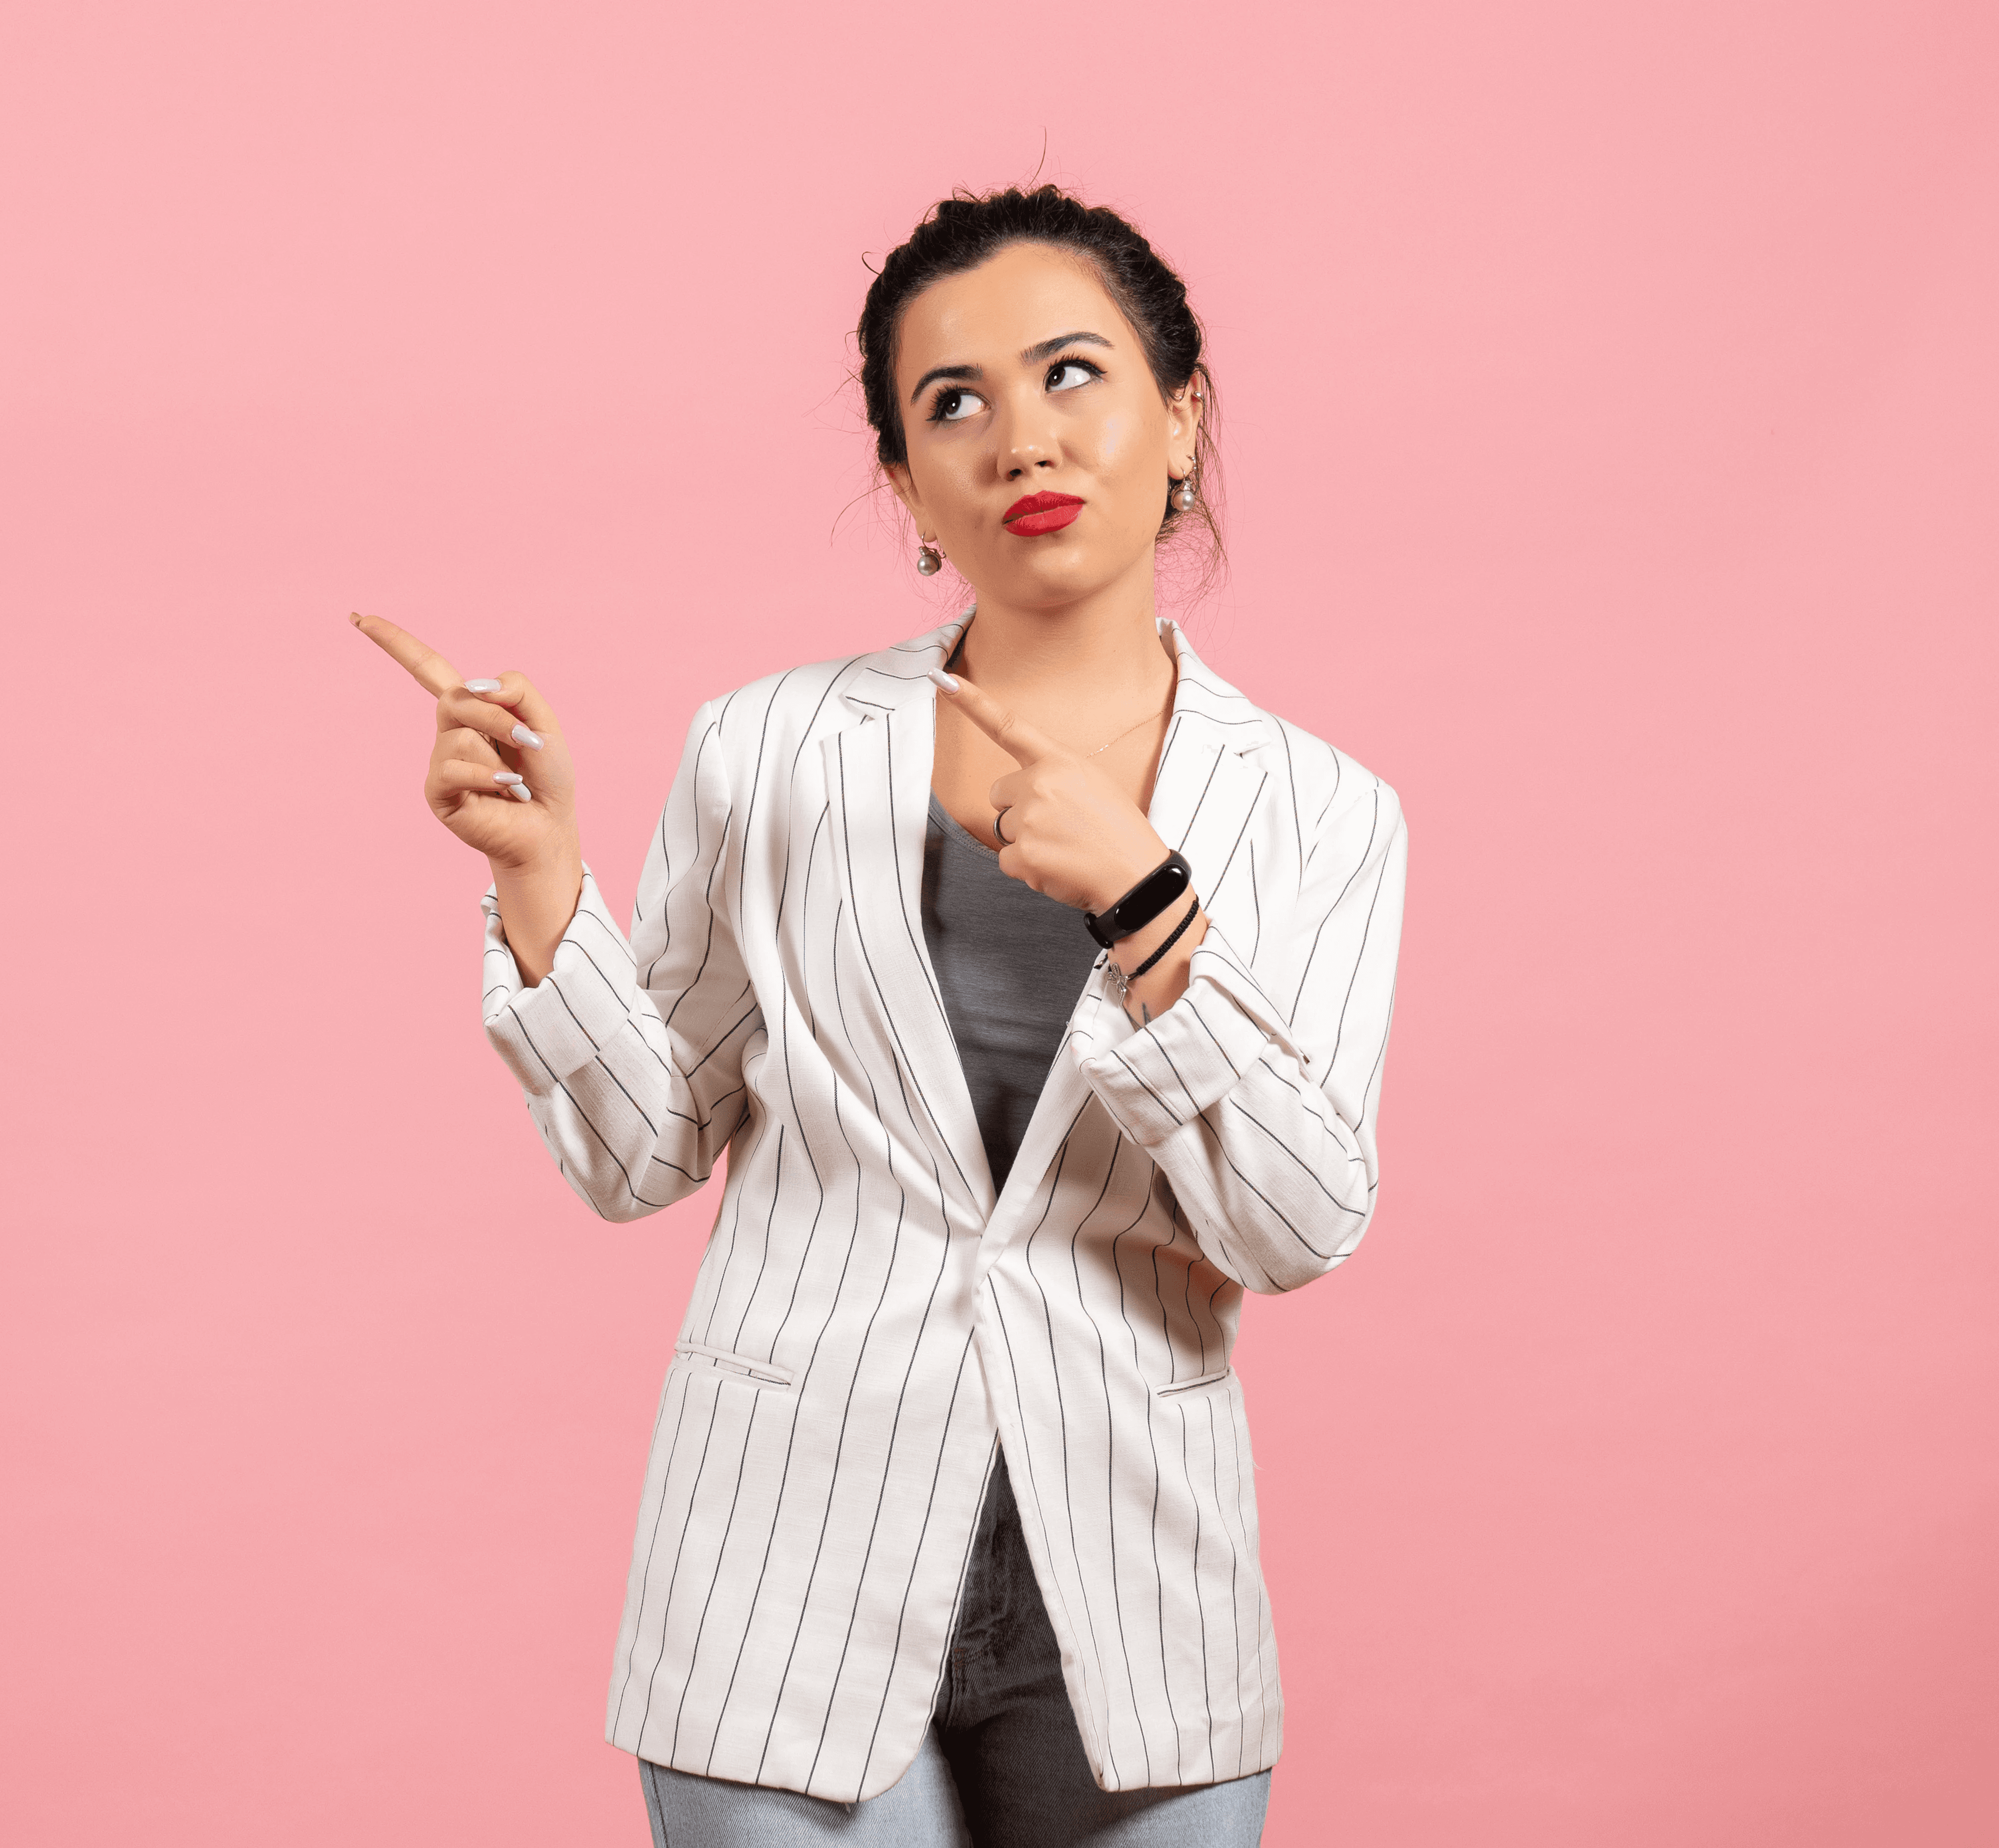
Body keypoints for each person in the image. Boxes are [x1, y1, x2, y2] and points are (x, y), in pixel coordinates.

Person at [355, 184, 1408, 1848]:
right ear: (906, 480)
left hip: (1132, 1595)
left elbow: (1295, 1226)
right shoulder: (769, 750)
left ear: (1183, 414)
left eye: (1074, 374)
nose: (1020, 440)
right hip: (780, 1570)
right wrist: (546, 880)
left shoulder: (1325, 813)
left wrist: (1150, 910)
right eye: (954, 404)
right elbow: (644, 1151)